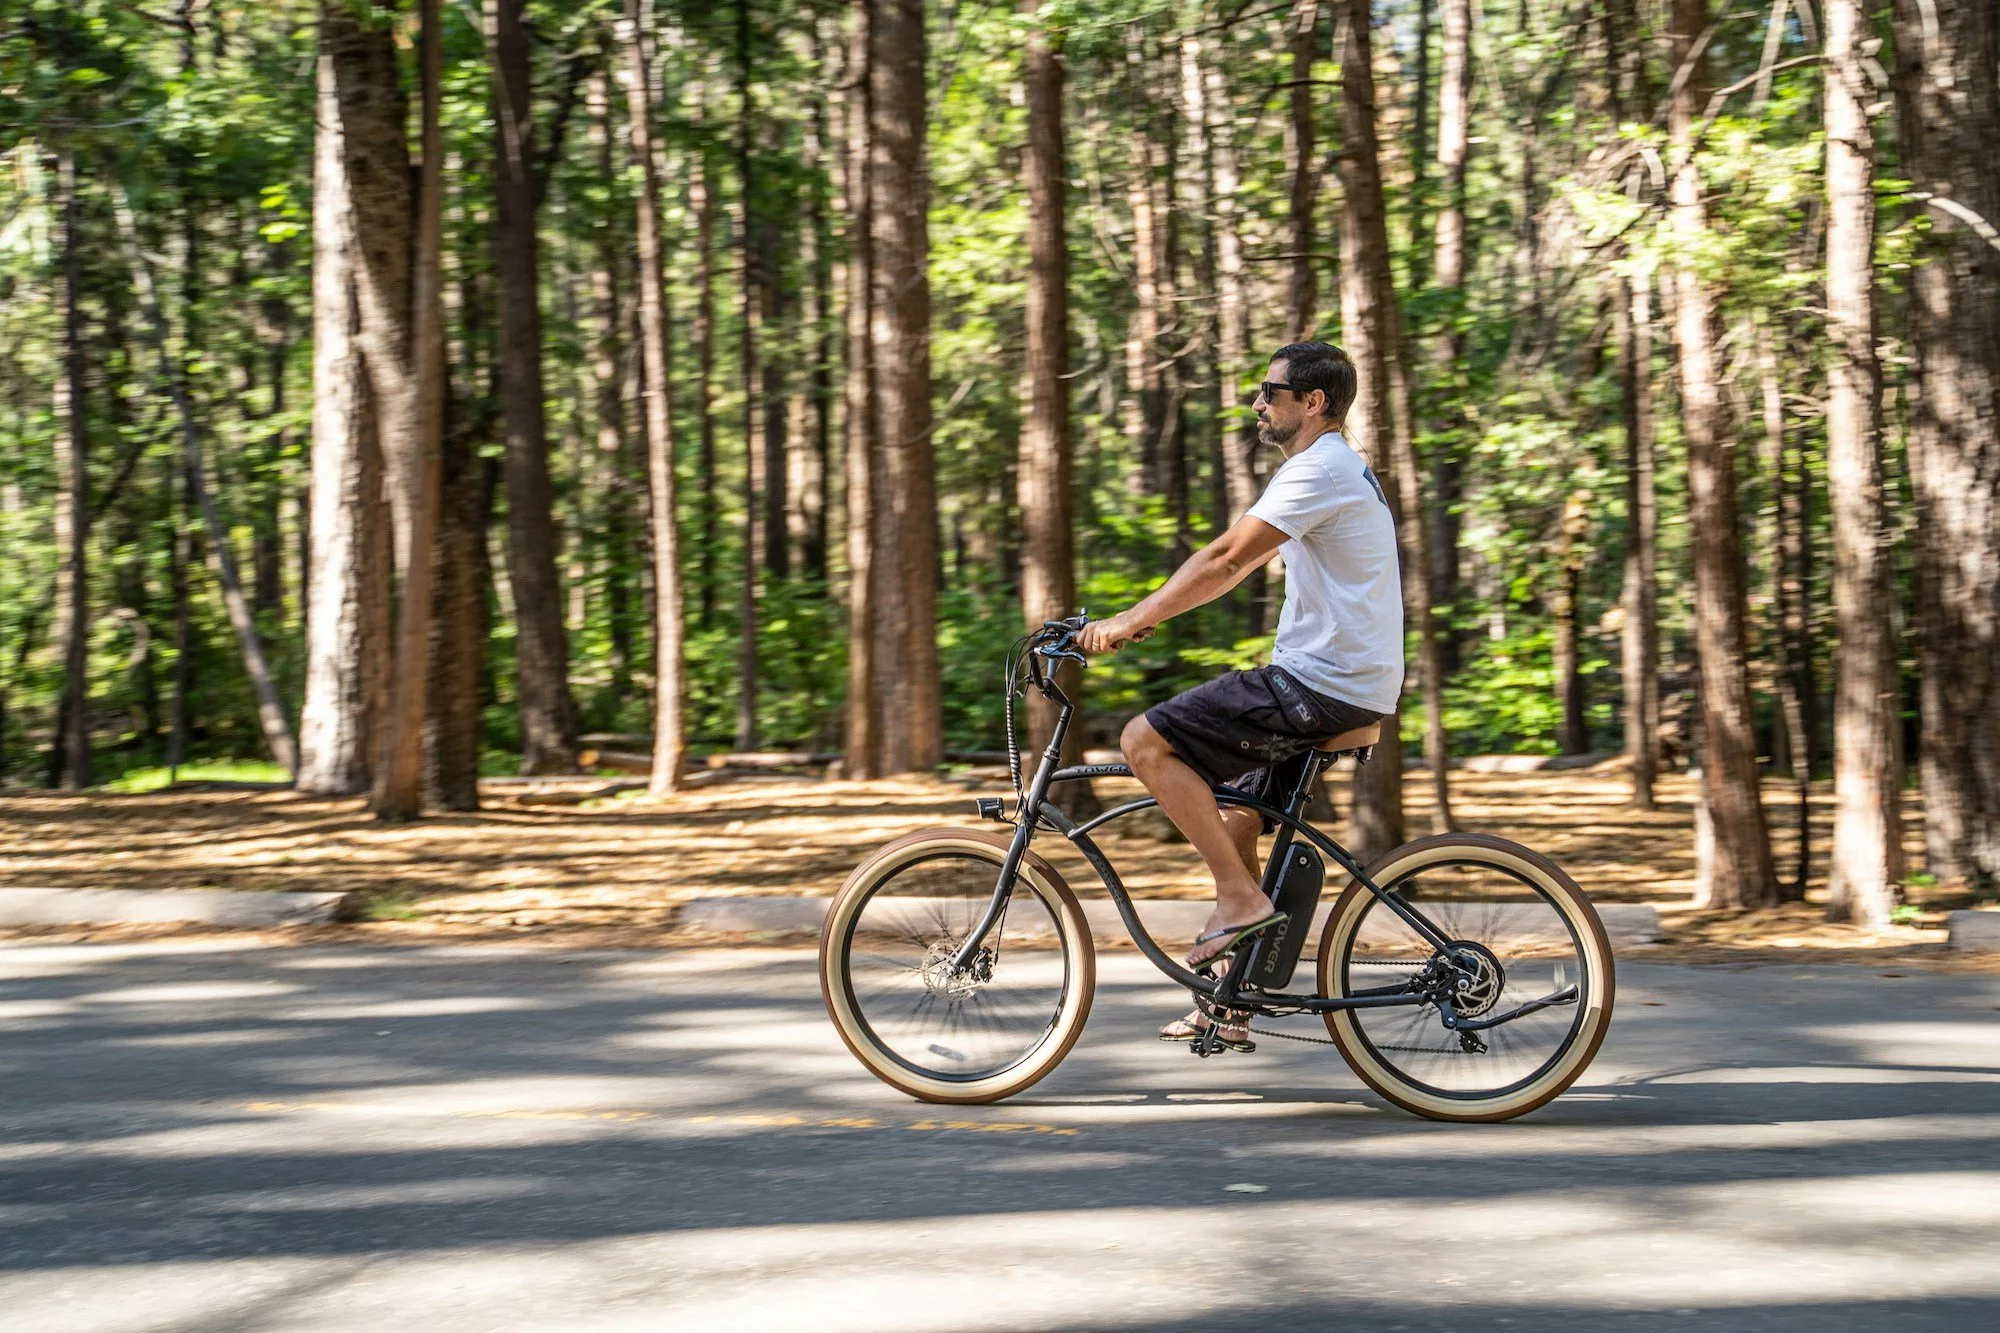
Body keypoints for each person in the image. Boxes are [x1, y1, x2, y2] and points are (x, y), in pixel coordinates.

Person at [1077, 341, 1404, 1048]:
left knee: (1144, 740)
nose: (1258, 403)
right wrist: (1154, 614)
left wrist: (1130, 620)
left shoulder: (1320, 467)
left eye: (1270, 390)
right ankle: (1230, 1000)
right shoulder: (1332, 470)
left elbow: (1227, 557)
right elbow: (1248, 560)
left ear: (1312, 402)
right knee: (1236, 818)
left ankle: (1239, 897)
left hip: (1323, 682)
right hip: (1342, 679)